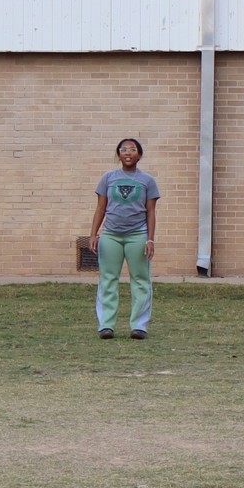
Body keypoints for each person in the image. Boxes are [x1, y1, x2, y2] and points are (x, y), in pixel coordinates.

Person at [89, 138, 160, 340]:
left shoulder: (147, 181)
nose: (128, 153)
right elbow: (101, 208)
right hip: (111, 235)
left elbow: (151, 212)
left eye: (132, 149)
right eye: (123, 150)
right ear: (118, 154)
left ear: (139, 154)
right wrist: (94, 234)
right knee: (108, 279)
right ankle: (106, 325)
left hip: (137, 235)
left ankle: (139, 326)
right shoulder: (108, 178)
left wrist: (150, 239)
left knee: (140, 281)